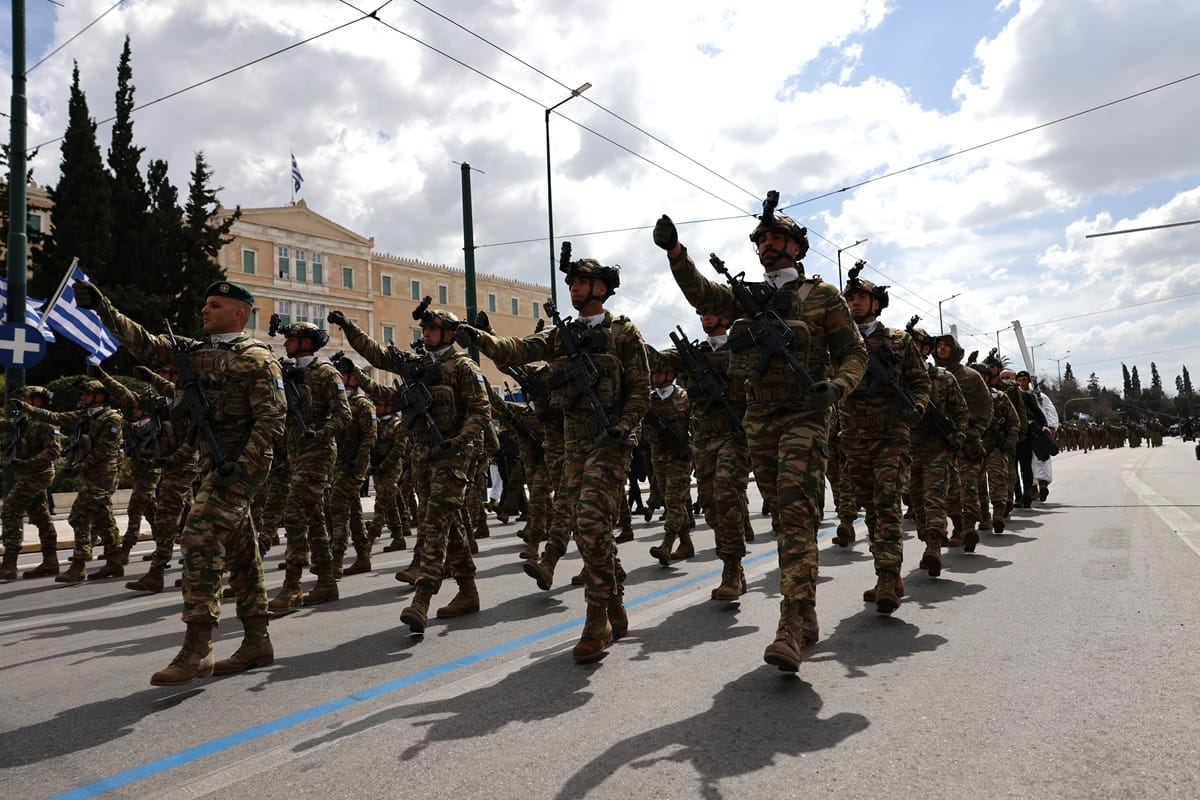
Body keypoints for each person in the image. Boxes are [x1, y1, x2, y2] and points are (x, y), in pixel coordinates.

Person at [650, 195, 867, 673]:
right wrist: (676, 256)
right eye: (761, 239)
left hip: (806, 415)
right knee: (788, 515)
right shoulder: (748, 295)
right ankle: (807, 611)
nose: (766, 244)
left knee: (793, 515)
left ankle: (789, 623)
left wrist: (837, 388)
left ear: (795, 245)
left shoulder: (822, 296)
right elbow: (703, 296)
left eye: (774, 237)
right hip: (759, 419)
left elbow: (854, 353)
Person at [72, 279, 286, 685]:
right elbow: (146, 343)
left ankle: (198, 646)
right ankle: (258, 640)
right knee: (242, 548)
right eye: (205, 304)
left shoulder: (258, 359)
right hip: (211, 462)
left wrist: (242, 465)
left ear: (239, 313)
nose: (204, 310)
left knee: (199, 533)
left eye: (215, 305)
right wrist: (105, 309)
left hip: (242, 465)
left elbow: (272, 420)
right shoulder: (194, 351)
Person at [455, 250, 650, 663]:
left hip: (610, 442)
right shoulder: (565, 334)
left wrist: (625, 426)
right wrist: (481, 339)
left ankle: (597, 621)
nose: (573, 288)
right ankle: (615, 607)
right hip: (573, 442)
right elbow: (518, 349)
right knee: (586, 529)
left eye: (580, 282)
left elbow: (640, 389)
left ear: (601, 288)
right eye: (571, 283)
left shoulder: (624, 332)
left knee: (593, 522)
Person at [329, 301, 490, 635]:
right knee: (449, 522)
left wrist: (459, 442)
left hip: (453, 458)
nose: (426, 334)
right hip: (422, 457)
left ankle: (422, 598)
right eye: (424, 329)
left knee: (434, 523)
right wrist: (348, 327)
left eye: (432, 329)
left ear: (448, 334)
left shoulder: (463, 367)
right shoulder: (415, 366)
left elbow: (480, 411)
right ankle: (468, 591)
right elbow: (376, 354)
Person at [838, 270, 930, 612]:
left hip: (891, 433)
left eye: (861, 298)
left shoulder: (898, 342)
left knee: (888, 500)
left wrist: (918, 406)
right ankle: (885, 570)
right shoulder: (842, 342)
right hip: (855, 435)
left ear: (876, 303)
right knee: (871, 506)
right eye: (850, 299)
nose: (854, 303)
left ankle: (888, 576)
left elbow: (920, 382)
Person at [652, 311, 753, 601]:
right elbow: (656, 359)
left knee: (728, 498)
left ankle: (731, 569)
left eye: (711, 311)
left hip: (735, 435)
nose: (705, 317)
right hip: (704, 439)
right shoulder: (693, 354)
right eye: (702, 313)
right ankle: (733, 565)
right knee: (709, 504)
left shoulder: (741, 348)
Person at [267, 321, 351, 610]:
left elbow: (343, 413)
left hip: (318, 455)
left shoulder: (326, 373)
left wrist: (322, 432)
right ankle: (327, 582)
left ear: (306, 342)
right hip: (295, 455)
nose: (287, 342)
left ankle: (292, 586)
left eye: (292, 338)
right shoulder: (287, 373)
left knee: (293, 515)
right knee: (314, 519)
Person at [20, 379, 124, 582]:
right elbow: (55, 417)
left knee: (78, 515)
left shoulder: (112, 418)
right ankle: (114, 562)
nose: (83, 397)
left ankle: (79, 565)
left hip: (103, 476)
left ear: (100, 396)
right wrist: (27, 408)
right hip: (90, 475)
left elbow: (105, 449)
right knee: (103, 518)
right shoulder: (83, 416)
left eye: (88, 393)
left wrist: (80, 466)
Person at [0, 386, 61, 579]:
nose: (23, 402)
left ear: (38, 402)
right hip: (26, 475)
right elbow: (6, 426)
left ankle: (9, 563)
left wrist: (28, 463)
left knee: (10, 509)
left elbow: (54, 451)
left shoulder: (46, 423)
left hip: (38, 475)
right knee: (42, 517)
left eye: (26, 398)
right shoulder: (24, 422)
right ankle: (50, 562)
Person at [328, 354, 377, 577]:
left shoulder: (362, 404)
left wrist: (358, 462)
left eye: (344, 374)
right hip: (339, 464)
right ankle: (363, 556)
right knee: (354, 511)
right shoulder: (339, 401)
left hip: (353, 466)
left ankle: (336, 560)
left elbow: (370, 437)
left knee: (338, 509)